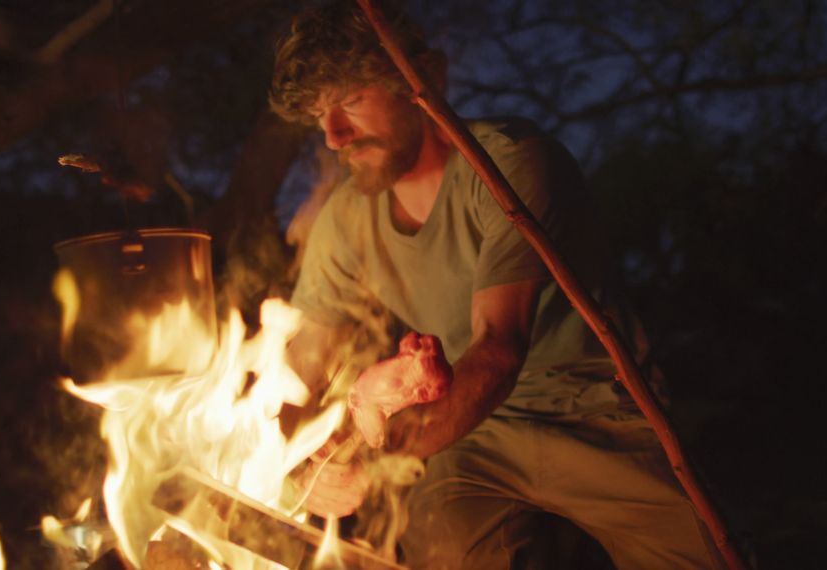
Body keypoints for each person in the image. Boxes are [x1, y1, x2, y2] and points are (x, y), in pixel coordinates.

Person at [268, 1, 723, 568]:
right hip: (473, 439)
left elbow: (498, 350)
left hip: (595, 407)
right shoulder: (343, 221)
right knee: (446, 549)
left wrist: (384, 454)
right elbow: (298, 371)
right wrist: (297, 460)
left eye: (351, 101)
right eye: (319, 115)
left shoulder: (509, 165)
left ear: (422, 80)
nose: (334, 136)